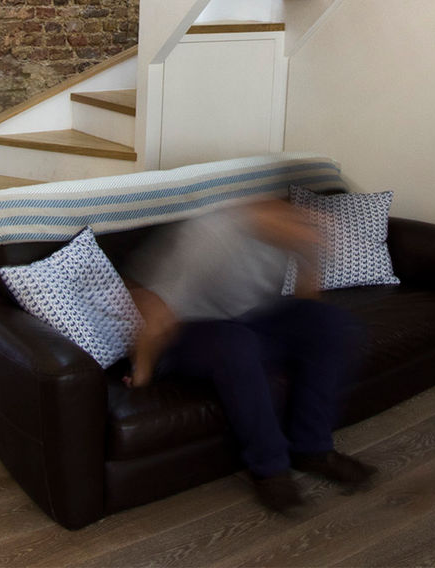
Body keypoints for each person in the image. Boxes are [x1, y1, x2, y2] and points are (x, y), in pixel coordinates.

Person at [124, 195, 376, 512]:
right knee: (237, 343)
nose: (307, 237)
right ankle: (270, 469)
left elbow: (307, 296)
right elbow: (157, 312)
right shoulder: (212, 237)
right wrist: (141, 374)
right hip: (187, 330)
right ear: (265, 221)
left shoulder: (292, 236)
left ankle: (312, 448)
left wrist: (308, 262)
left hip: (250, 321)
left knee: (331, 323)